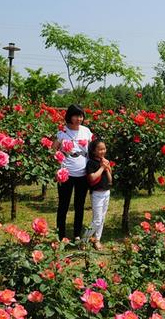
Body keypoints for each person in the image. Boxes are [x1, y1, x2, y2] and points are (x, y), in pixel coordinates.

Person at [53, 104, 93, 241]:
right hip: (66, 175)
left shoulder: (86, 131)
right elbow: (53, 151)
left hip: (83, 175)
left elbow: (93, 150)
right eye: (76, 115)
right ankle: (61, 235)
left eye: (81, 116)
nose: (79, 118)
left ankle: (77, 234)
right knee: (63, 205)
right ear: (69, 116)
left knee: (79, 205)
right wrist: (56, 169)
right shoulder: (62, 132)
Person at [84, 139, 112, 250]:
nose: (102, 151)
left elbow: (110, 180)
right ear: (94, 151)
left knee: (102, 218)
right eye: (100, 149)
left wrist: (108, 168)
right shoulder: (91, 163)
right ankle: (84, 240)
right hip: (97, 194)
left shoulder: (105, 161)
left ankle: (97, 240)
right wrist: (102, 167)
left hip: (106, 193)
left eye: (104, 149)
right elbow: (92, 178)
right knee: (97, 220)